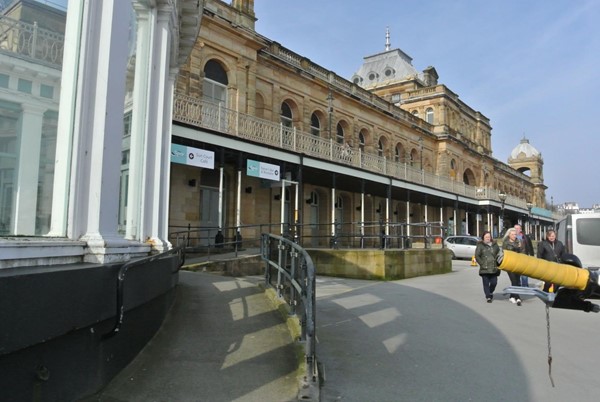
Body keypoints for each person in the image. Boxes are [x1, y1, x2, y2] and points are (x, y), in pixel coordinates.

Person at [475, 231, 501, 303]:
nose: (488, 238)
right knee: (486, 283)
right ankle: (488, 296)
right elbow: (477, 256)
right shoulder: (480, 245)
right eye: (486, 237)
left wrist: (499, 264)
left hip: (494, 268)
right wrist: (482, 263)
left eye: (489, 237)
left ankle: (490, 291)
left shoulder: (495, 245)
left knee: (494, 283)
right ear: (483, 237)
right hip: (485, 268)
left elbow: (499, 255)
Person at [537, 229, 565, 293]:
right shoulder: (543, 244)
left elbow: (563, 254)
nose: (551, 237)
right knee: (548, 283)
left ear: (555, 236)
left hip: (557, 266)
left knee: (557, 283)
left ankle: (554, 296)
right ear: (547, 236)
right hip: (547, 267)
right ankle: (545, 293)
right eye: (550, 236)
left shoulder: (560, 244)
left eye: (553, 236)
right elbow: (539, 256)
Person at [502, 228, 523, 306]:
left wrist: (520, 248)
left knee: (517, 281)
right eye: (513, 234)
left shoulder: (518, 241)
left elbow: (521, 252)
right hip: (509, 264)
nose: (514, 236)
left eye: (515, 234)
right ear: (509, 235)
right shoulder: (506, 243)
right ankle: (517, 298)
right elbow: (505, 252)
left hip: (517, 264)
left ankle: (511, 296)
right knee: (514, 280)